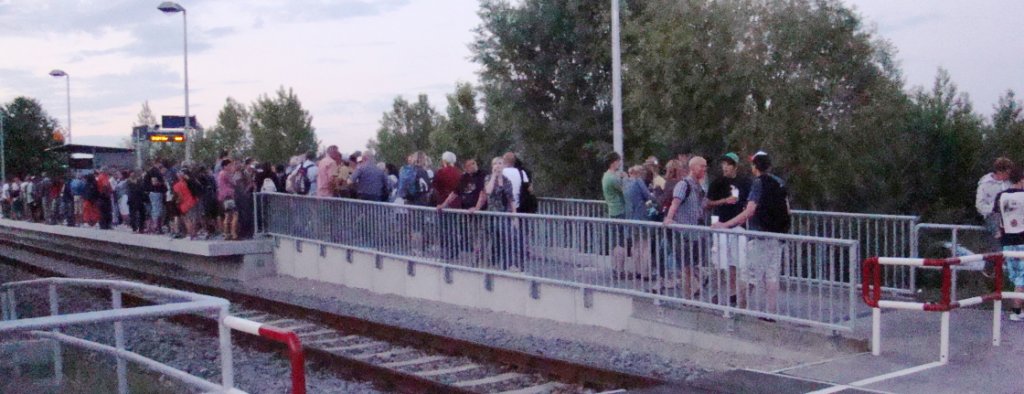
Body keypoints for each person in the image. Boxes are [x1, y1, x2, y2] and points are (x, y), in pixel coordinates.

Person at [713, 151, 790, 319]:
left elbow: (749, 211)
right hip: (778, 236)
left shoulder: (758, 183)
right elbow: (787, 209)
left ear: (755, 167)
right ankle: (771, 313)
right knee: (771, 274)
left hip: (759, 235)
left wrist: (726, 224)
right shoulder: (779, 183)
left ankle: (741, 308)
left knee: (748, 274)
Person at [705, 152, 751, 305]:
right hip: (720, 224)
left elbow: (750, 203)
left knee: (737, 263)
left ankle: (733, 294)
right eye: (723, 164)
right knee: (718, 262)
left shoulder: (744, 182)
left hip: (738, 226)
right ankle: (714, 293)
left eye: (729, 164)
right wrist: (724, 200)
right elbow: (707, 204)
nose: (725, 167)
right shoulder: (717, 182)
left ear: (735, 166)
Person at [662, 156, 709, 297]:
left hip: (694, 233)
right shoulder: (684, 185)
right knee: (686, 267)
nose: (704, 169)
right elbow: (674, 204)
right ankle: (688, 296)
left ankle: (692, 293)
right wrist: (669, 219)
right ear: (693, 168)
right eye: (702, 166)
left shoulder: (698, 186)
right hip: (683, 233)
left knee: (691, 266)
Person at [470, 157, 519, 271]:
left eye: (500, 163)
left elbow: (511, 199)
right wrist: (493, 176)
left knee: (506, 239)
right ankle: (478, 263)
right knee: (484, 240)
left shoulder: (507, 181)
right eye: (495, 164)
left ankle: (507, 265)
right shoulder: (488, 178)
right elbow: (487, 192)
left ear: (504, 166)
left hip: (503, 215)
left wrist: (515, 216)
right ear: (492, 166)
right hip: (490, 215)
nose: (498, 165)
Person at [993, 165, 1024, 321]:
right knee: (1022, 278)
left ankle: (1018, 310)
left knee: (1016, 276)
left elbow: (997, 218)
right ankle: (1016, 311)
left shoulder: (1001, 196)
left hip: (1007, 241)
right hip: (1022, 239)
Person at [218, 159, 239, 240]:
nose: (231, 167)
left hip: (223, 196)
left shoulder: (220, 174)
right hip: (229, 196)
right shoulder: (226, 174)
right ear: (225, 166)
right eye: (229, 165)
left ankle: (226, 234)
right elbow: (234, 183)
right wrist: (233, 173)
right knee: (235, 214)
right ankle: (234, 234)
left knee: (227, 215)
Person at [602, 152, 626, 219]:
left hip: (612, 210)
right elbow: (625, 191)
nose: (620, 163)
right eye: (618, 161)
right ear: (613, 163)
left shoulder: (606, 175)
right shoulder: (612, 178)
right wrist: (626, 178)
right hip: (619, 211)